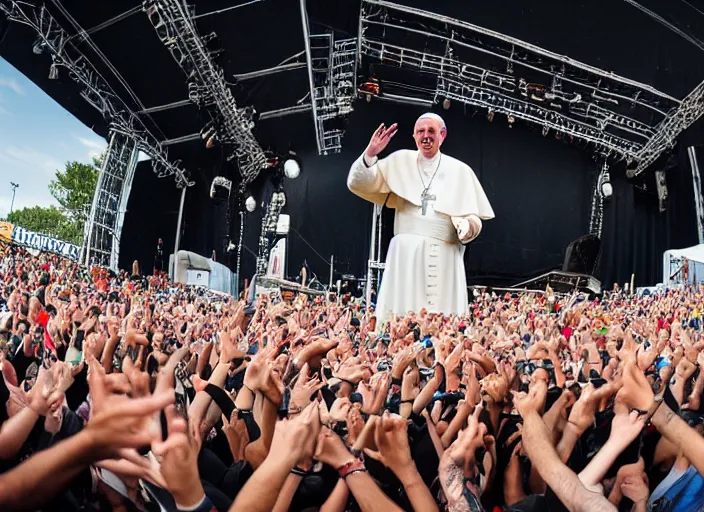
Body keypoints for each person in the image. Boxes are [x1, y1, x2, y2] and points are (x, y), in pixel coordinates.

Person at [347, 113, 494, 321]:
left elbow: (474, 216)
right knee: (400, 316)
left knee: (443, 321)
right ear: (414, 136)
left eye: (431, 131)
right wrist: (370, 153)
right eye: (420, 131)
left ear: (442, 135)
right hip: (405, 254)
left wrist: (468, 226)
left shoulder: (460, 171)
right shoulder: (400, 161)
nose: (426, 136)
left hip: (444, 253)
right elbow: (358, 182)